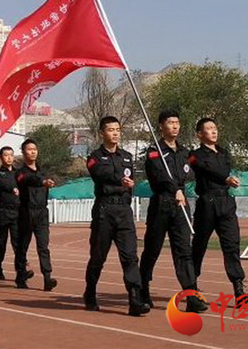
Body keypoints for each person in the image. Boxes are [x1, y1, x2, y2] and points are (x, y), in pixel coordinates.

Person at [139, 110, 207, 313]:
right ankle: (143, 288)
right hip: (162, 204)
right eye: (170, 122)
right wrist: (174, 189)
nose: (175, 126)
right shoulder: (154, 151)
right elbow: (158, 175)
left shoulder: (185, 152)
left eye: (177, 122)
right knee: (152, 249)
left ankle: (191, 294)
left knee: (184, 251)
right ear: (161, 126)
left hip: (180, 206)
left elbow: (193, 173)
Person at [84, 116, 150, 316]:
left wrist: (126, 187)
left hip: (124, 211)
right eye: (110, 129)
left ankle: (135, 298)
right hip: (105, 211)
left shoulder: (127, 156)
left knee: (130, 256)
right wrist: (120, 180)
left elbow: (131, 180)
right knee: (98, 256)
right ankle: (91, 292)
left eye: (117, 129)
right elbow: (100, 174)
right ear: (101, 133)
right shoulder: (94, 157)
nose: (115, 133)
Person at [188, 118, 248, 308]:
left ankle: (239, 290)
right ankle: (192, 287)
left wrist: (225, 179)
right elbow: (206, 169)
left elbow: (221, 168)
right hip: (207, 204)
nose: (213, 132)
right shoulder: (194, 155)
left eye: (215, 128)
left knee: (231, 245)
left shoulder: (224, 152)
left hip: (226, 202)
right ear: (199, 134)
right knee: (199, 246)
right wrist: (225, 178)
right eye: (208, 129)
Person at [14, 139, 57, 291]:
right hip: (26, 212)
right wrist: (42, 182)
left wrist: (48, 181)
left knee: (43, 246)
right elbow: (28, 179)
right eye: (29, 149)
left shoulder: (43, 172)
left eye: (35, 149)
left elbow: (48, 179)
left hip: (41, 212)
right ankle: (20, 276)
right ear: (23, 152)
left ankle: (47, 277)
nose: (32, 152)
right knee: (22, 246)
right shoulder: (20, 173)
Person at [0, 146, 26, 281]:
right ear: (1, 157)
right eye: (6, 155)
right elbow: (1, 184)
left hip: (17, 212)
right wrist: (13, 188)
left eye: (11, 155)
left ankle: (20, 272)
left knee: (18, 242)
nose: (9, 158)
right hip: (3, 212)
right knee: (1, 242)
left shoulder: (19, 173)